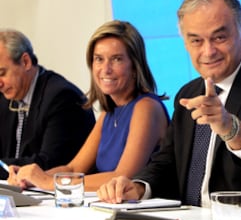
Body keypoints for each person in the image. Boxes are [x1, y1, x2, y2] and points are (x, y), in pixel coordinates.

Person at [97, 0, 241, 219]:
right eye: (196, 41)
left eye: (219, 37)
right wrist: (139, 186)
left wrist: (233, 129)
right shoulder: (187, 94)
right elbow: (167, 163)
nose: (208, 51)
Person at [7, 20, 170, 191]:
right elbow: (74, 169)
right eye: (99, 59)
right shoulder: (110, 112)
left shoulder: (147, 107)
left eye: (116, 59)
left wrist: (49, 182)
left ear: (135, 66)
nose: (105, 69)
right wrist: (32, 177)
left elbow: (121, 176)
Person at [0, 29, 95, 180]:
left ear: (25, 62)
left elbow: (49, 163)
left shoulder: (62, 97)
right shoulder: (6, 96)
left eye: (2, 73)